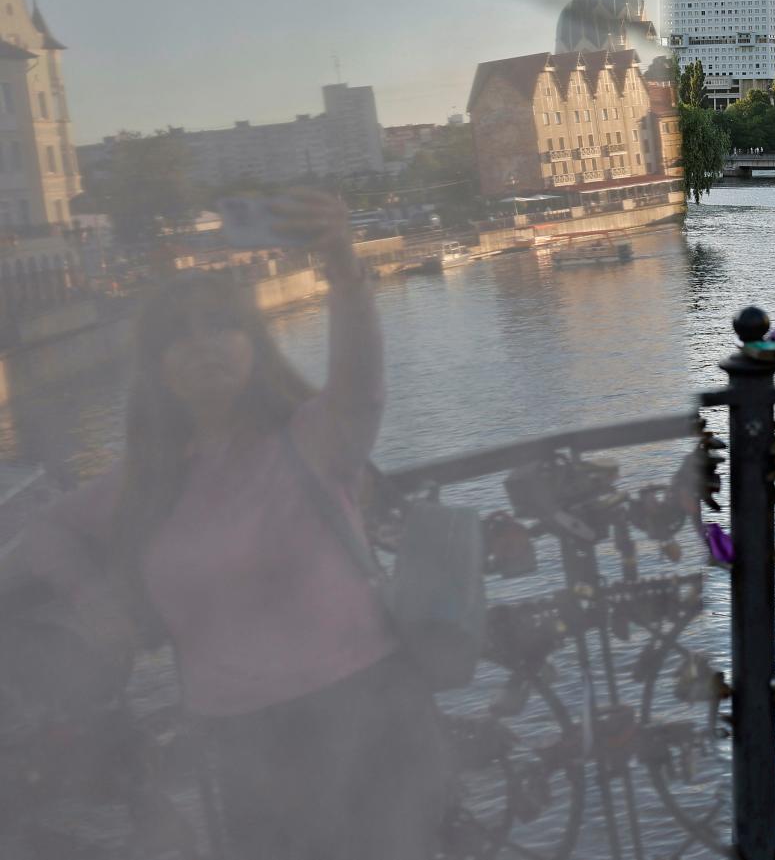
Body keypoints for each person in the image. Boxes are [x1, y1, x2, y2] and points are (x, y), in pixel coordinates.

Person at [0, 189, 449, 860]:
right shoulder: (144, 480)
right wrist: (93, 598)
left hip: (366, 713)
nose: (201, 345)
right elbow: (43, 532)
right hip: (246, 743)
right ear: (156, 368)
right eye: (177, 337)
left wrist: (339, 258)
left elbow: (361, 379)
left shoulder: (314, 436)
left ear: (254, 342)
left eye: (220, 325)